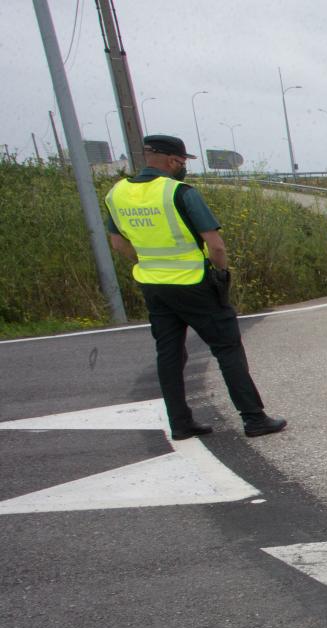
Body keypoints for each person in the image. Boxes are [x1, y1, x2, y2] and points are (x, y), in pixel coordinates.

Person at [104, 134, 286, 441]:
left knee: (169, 354)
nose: (182, 167)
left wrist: (148, 261)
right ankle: (254, 418)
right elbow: (215, 246)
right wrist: (221, 274)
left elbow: (117, 242)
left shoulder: (116, 193)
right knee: (227, 348)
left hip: (153, 285)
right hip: (193, 283)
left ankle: (180, 423)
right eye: (182, 162)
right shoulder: (180, 192)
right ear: (174, 161)